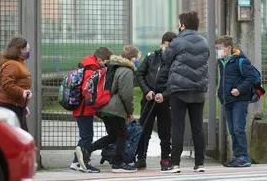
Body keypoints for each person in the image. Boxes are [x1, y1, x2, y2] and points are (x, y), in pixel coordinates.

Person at [157, 11, 209, 173]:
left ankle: (175, 163)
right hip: (199, 89)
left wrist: (161, 83)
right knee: (197, 127)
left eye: (179, 23)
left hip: (179, 90)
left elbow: (166, 62)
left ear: (183, 25)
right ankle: (200, 163)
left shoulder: (177, 42)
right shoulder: (204, 42)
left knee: (178, 127)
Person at [76, 45, 140, 173]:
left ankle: (86, 150)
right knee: (122, 134)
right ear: (132, 58)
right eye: (137, 58)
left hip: (103, 107)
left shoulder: (111, 67)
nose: (137, 60)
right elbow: (126, 95)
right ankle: (118, 163)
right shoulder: (126, 71)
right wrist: (130, 112)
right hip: (115, 109)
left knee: (113, 136)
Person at [135, 31, 177, 171]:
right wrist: (147, 91)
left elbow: (176, 82)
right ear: (161, 44)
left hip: (165, 102)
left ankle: (165, 159)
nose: (168, 49)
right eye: (167, 46)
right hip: (148, 100)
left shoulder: (176, 62)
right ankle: (141, 158)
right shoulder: (150, 57)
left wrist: (164, 95)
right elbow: (140, 74)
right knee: (144, 130)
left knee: (165, 132)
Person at [215, 35, 256, 168]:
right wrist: (220, 92)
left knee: (239, 129)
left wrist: (239, 89)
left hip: (239, 100)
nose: (217, 51)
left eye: (219, 48)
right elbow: (223, 80)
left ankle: (244, 157)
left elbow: (250, 78)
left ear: (228, 48)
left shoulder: (241, 61)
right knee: (232, 130)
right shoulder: (221, 62)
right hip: (227, 100)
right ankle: (237, 156)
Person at [70, 47, 114, 173]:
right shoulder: (91, 70)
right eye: (105, 61)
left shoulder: (89, 66)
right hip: (84, 109)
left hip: (82, 108)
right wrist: (96, 100)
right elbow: (87, 89)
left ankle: (76, 162)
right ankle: (84, 163)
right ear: (99, 59)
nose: (105, 64)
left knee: (84, 136)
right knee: (87, 137)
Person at [0, 36, 32, 131]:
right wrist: (22, 93)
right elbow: (7, 85)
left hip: (17, 106)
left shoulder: (18, 63)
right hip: (11, 107)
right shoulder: (12, 65)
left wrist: (23, 105)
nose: (27, 51)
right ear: (19, 49)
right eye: (25, 48)